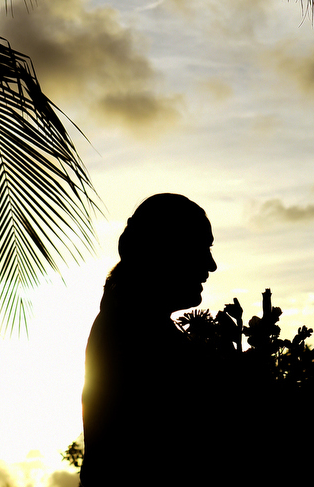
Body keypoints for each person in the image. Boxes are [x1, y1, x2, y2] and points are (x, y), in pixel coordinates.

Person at [79, 193, 222, 486]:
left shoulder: (129, 322)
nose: (211, 264)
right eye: (201, 248)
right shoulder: (137, 335)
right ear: (165, 251)